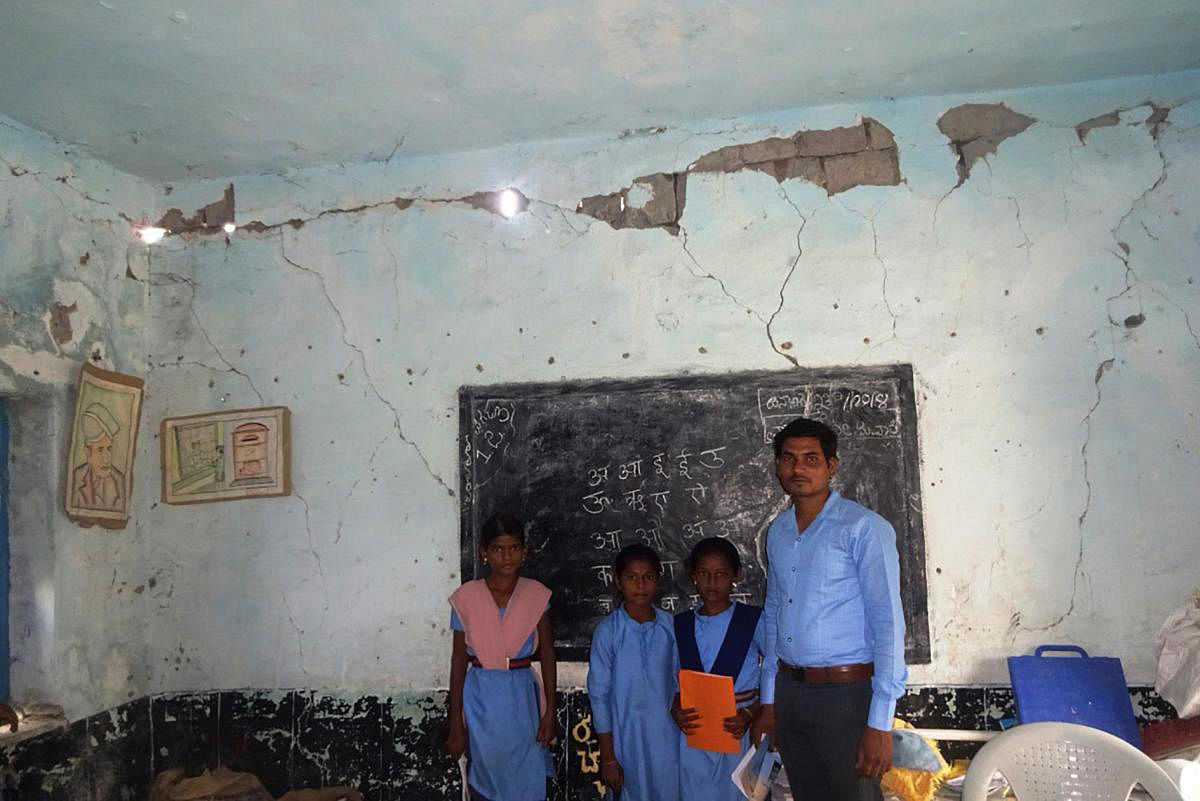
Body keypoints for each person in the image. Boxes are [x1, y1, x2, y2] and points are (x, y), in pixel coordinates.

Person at [750, 417, 907, 801]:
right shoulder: (780, 531)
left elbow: (888, 624)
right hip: (790, 691)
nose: (798, 468)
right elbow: (774, 614)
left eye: (811, 459)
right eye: (788, 458)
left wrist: (880, 723)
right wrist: (769, 700)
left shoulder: (864, 528)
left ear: (832, 466)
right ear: (777, 466)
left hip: (847, 696)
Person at [447, 512, 556, 801]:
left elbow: (547, 653)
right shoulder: (466, 598)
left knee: (527, 773)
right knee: (485, 775)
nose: (507, 556)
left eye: (514, 548)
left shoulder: (537, 595)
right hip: (481, 698)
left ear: (524, 551)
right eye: (498, 549)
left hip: (523, 699)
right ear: (484, 553)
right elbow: (458, 661)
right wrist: (455, 721)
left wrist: (550, 711)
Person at [671, 537, 768, 801]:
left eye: (721, 574)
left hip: (739, 731)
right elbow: (672, 682)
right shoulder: (680, 626)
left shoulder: (752, 621)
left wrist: (751, 713)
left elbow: (776, 671)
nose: (712, 582)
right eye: (704, 574)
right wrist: (675, 710)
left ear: (735, 575)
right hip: (695, 737)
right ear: (693, 576)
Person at [588, 544, 680, 801]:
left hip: (667, 739)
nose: (640, 585)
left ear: (658, 580)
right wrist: (608, 758)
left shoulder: (670, 627)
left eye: (648, 577)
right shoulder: (609, 632)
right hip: (625, 739)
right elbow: (599, 695)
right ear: (618, 581)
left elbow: (681, 681)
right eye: (631, 577)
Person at [71, 403, 125, 511]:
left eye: (109, 449)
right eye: (100, 450)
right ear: (87, 452)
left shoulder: (119, 480)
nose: (106, 459)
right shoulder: (76, 478)